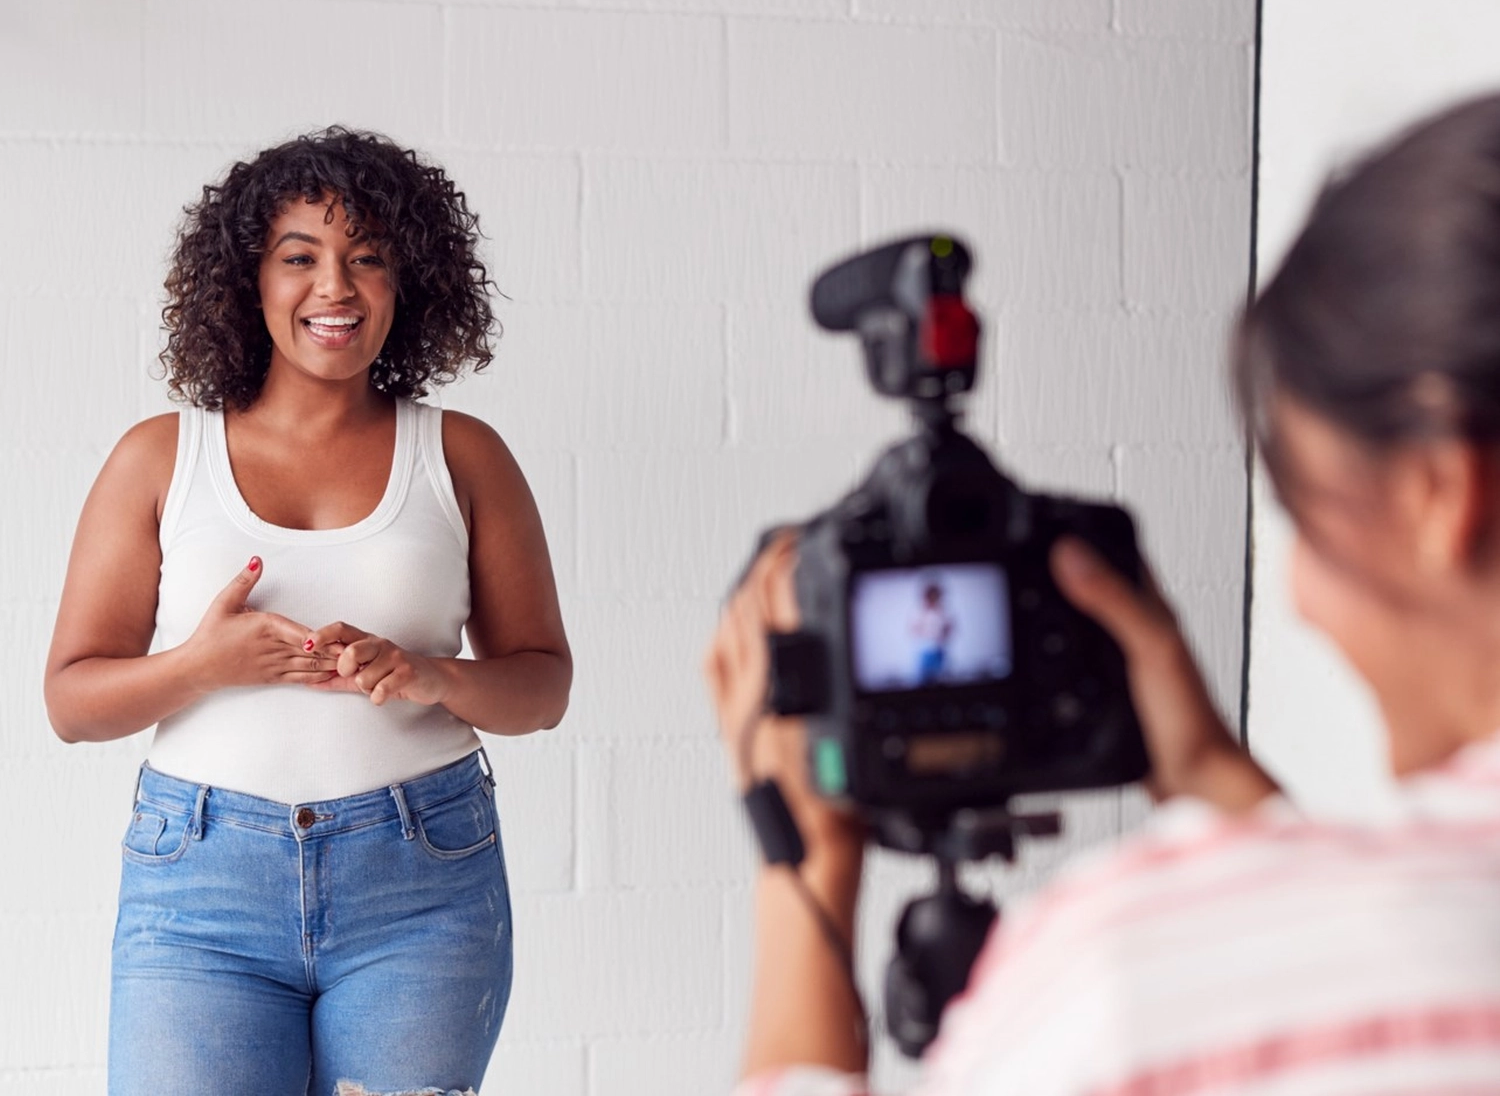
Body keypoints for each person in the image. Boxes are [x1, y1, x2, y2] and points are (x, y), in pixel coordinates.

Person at [706, 93, 1500, 1094]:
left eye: (1305, 513)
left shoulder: (1135, 981)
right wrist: (1207, 768)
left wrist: (804, 862)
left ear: (1440, 494)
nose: (1301, 599)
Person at [44, 127, 572, 1095]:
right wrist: (200, 666)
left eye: (368, 258)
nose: (336, 287)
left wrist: (428, 674)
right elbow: (72, 703)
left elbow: (542, 687)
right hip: (200, 890)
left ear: (407, 284)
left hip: (421, 887)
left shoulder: (464, 458)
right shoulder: (161, 457)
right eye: (301, 258)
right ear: (250, 279)